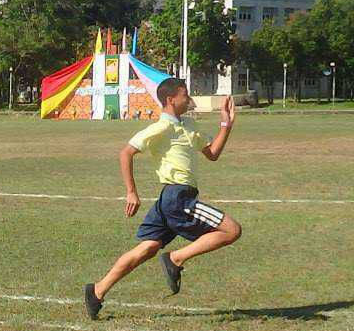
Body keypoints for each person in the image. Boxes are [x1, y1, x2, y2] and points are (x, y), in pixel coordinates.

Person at [83, 77, 241, 318]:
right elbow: (126, 153)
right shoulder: (160, 128)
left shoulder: (189, 125)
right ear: (171, 99)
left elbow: (212, 153)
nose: (189, 98)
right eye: (185, 94)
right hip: (178, 198)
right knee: (231, 230)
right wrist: (131, 192)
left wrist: (225, 125)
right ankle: (176, 258)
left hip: (171, 199)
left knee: (147, 248)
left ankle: (97, 291)